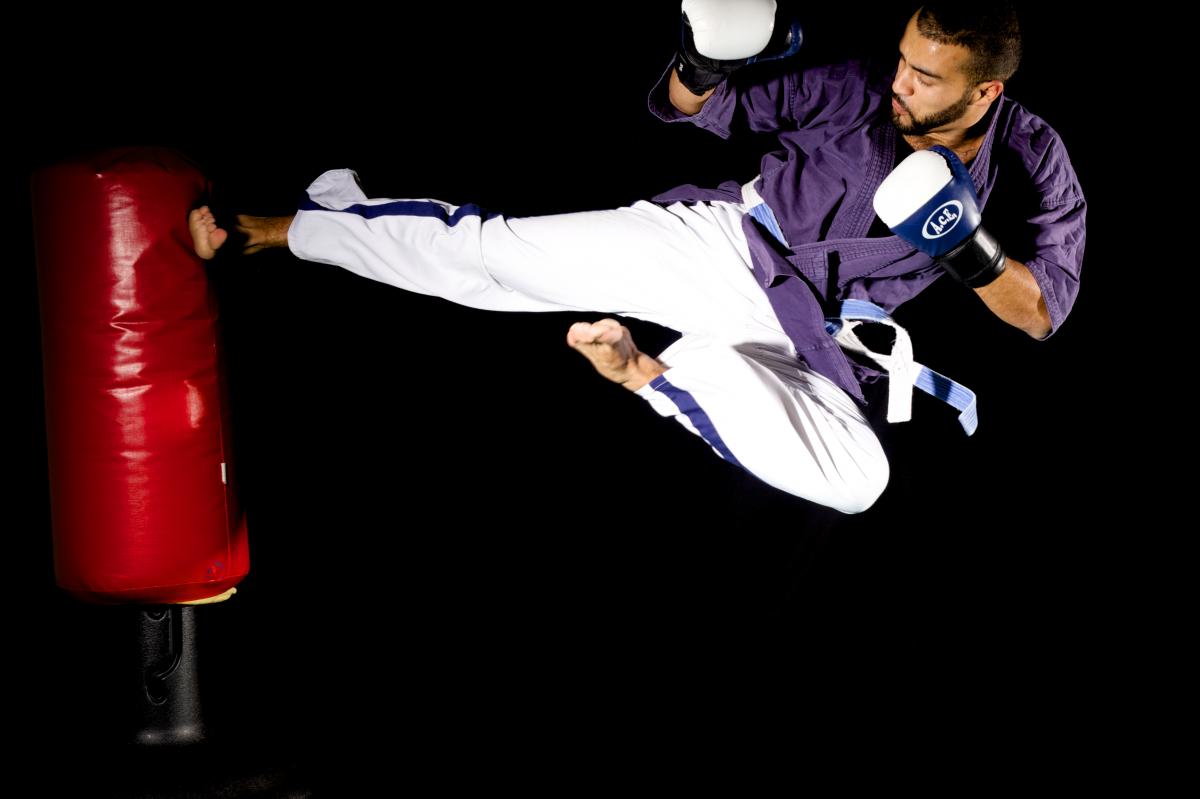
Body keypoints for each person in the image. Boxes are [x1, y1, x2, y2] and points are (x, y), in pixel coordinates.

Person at [188, 1, 1085, 515]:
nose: (901, 83)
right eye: (903, 60)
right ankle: (290, 226)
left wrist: (970, 250)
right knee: (493, 257)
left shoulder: (1035, 162)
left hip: (812, 334)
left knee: (861, 480)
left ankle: (644, 373)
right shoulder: (855, 87)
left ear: (986, 89)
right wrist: (703, 63)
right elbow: (692, 106)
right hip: (722, 246)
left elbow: (1041, 314)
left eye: (926, 78)